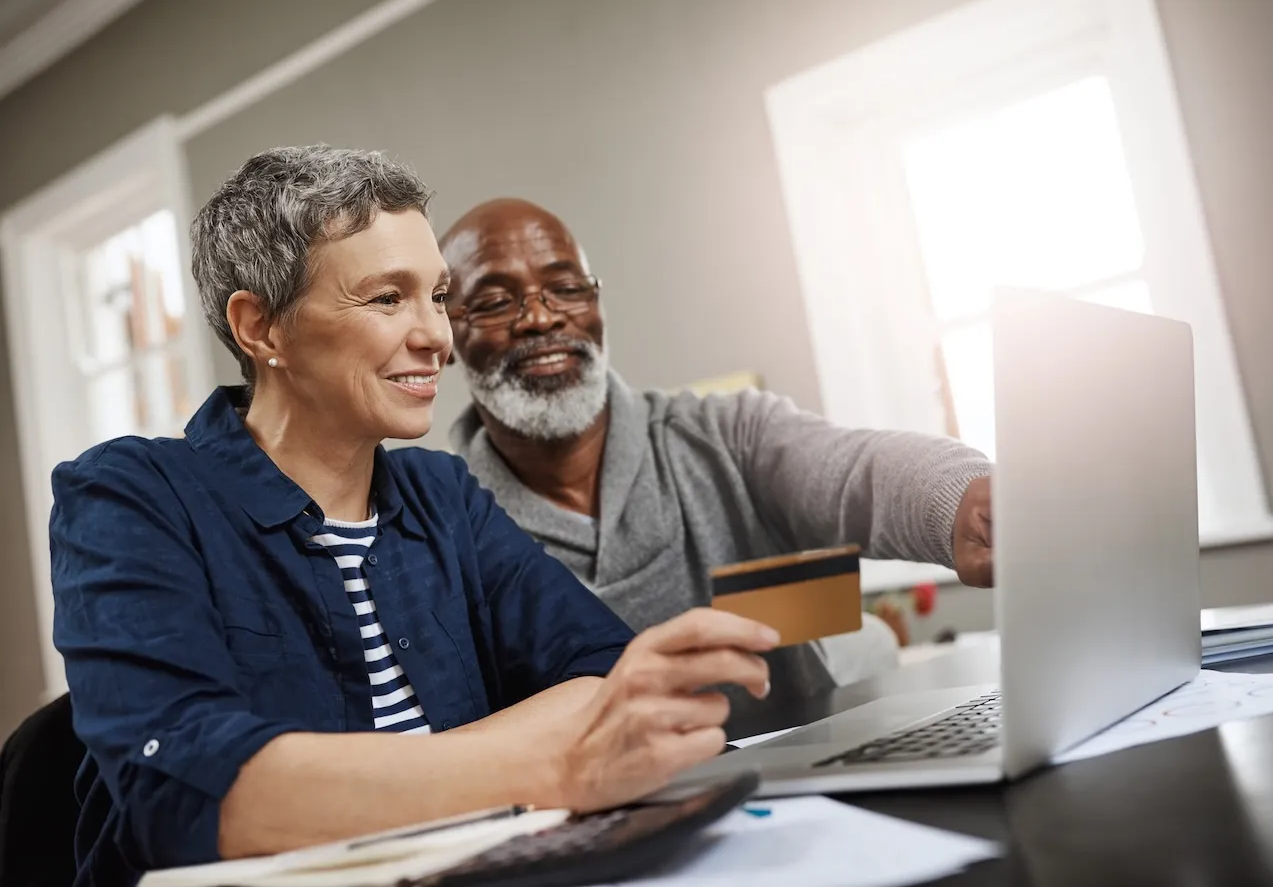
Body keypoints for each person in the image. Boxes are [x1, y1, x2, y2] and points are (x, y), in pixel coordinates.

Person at [49, 148, 777, 887]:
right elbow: (189, 792)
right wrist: (552, 762)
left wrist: (334, 783)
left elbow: (608, 679)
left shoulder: (443, 494)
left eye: (436, 295)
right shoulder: (128, 495)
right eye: (388, 299)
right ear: (261, 328)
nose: (438, 336)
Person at [438, 198, 995, 704]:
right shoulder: (440, 533)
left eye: (566, 288)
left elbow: (856, 472)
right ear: (447, 335)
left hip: (804, 788)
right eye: (492, 301)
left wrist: (966, 501)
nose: (541, 318)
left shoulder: (727, 433)